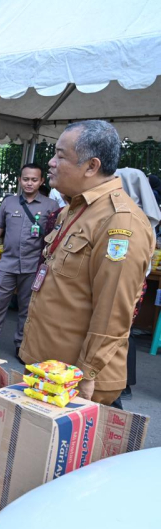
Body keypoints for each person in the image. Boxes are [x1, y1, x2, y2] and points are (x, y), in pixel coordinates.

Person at [19, 120, 153, 406]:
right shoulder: (74, 209)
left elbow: (113, 310)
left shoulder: (119, 221)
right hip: (51, 370)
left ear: (91, 166)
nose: (51, 163)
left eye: (60, 155)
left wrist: (87, 375)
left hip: (75, 380)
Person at [0, 164, 59, 359]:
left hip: (33, 267)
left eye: (34, 180)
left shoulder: (51, 206)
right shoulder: (9, 203)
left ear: (41, 181)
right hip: (7, 264)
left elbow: (56, 236)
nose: (29, 183)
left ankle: (21, 346)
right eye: (25, 179)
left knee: (27, 308)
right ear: (20, 180)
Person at [115, 167, 161, 401]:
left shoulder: (133, 216)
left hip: (128, 279)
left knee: (120, 329)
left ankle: (123, 383)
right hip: (129, 278)